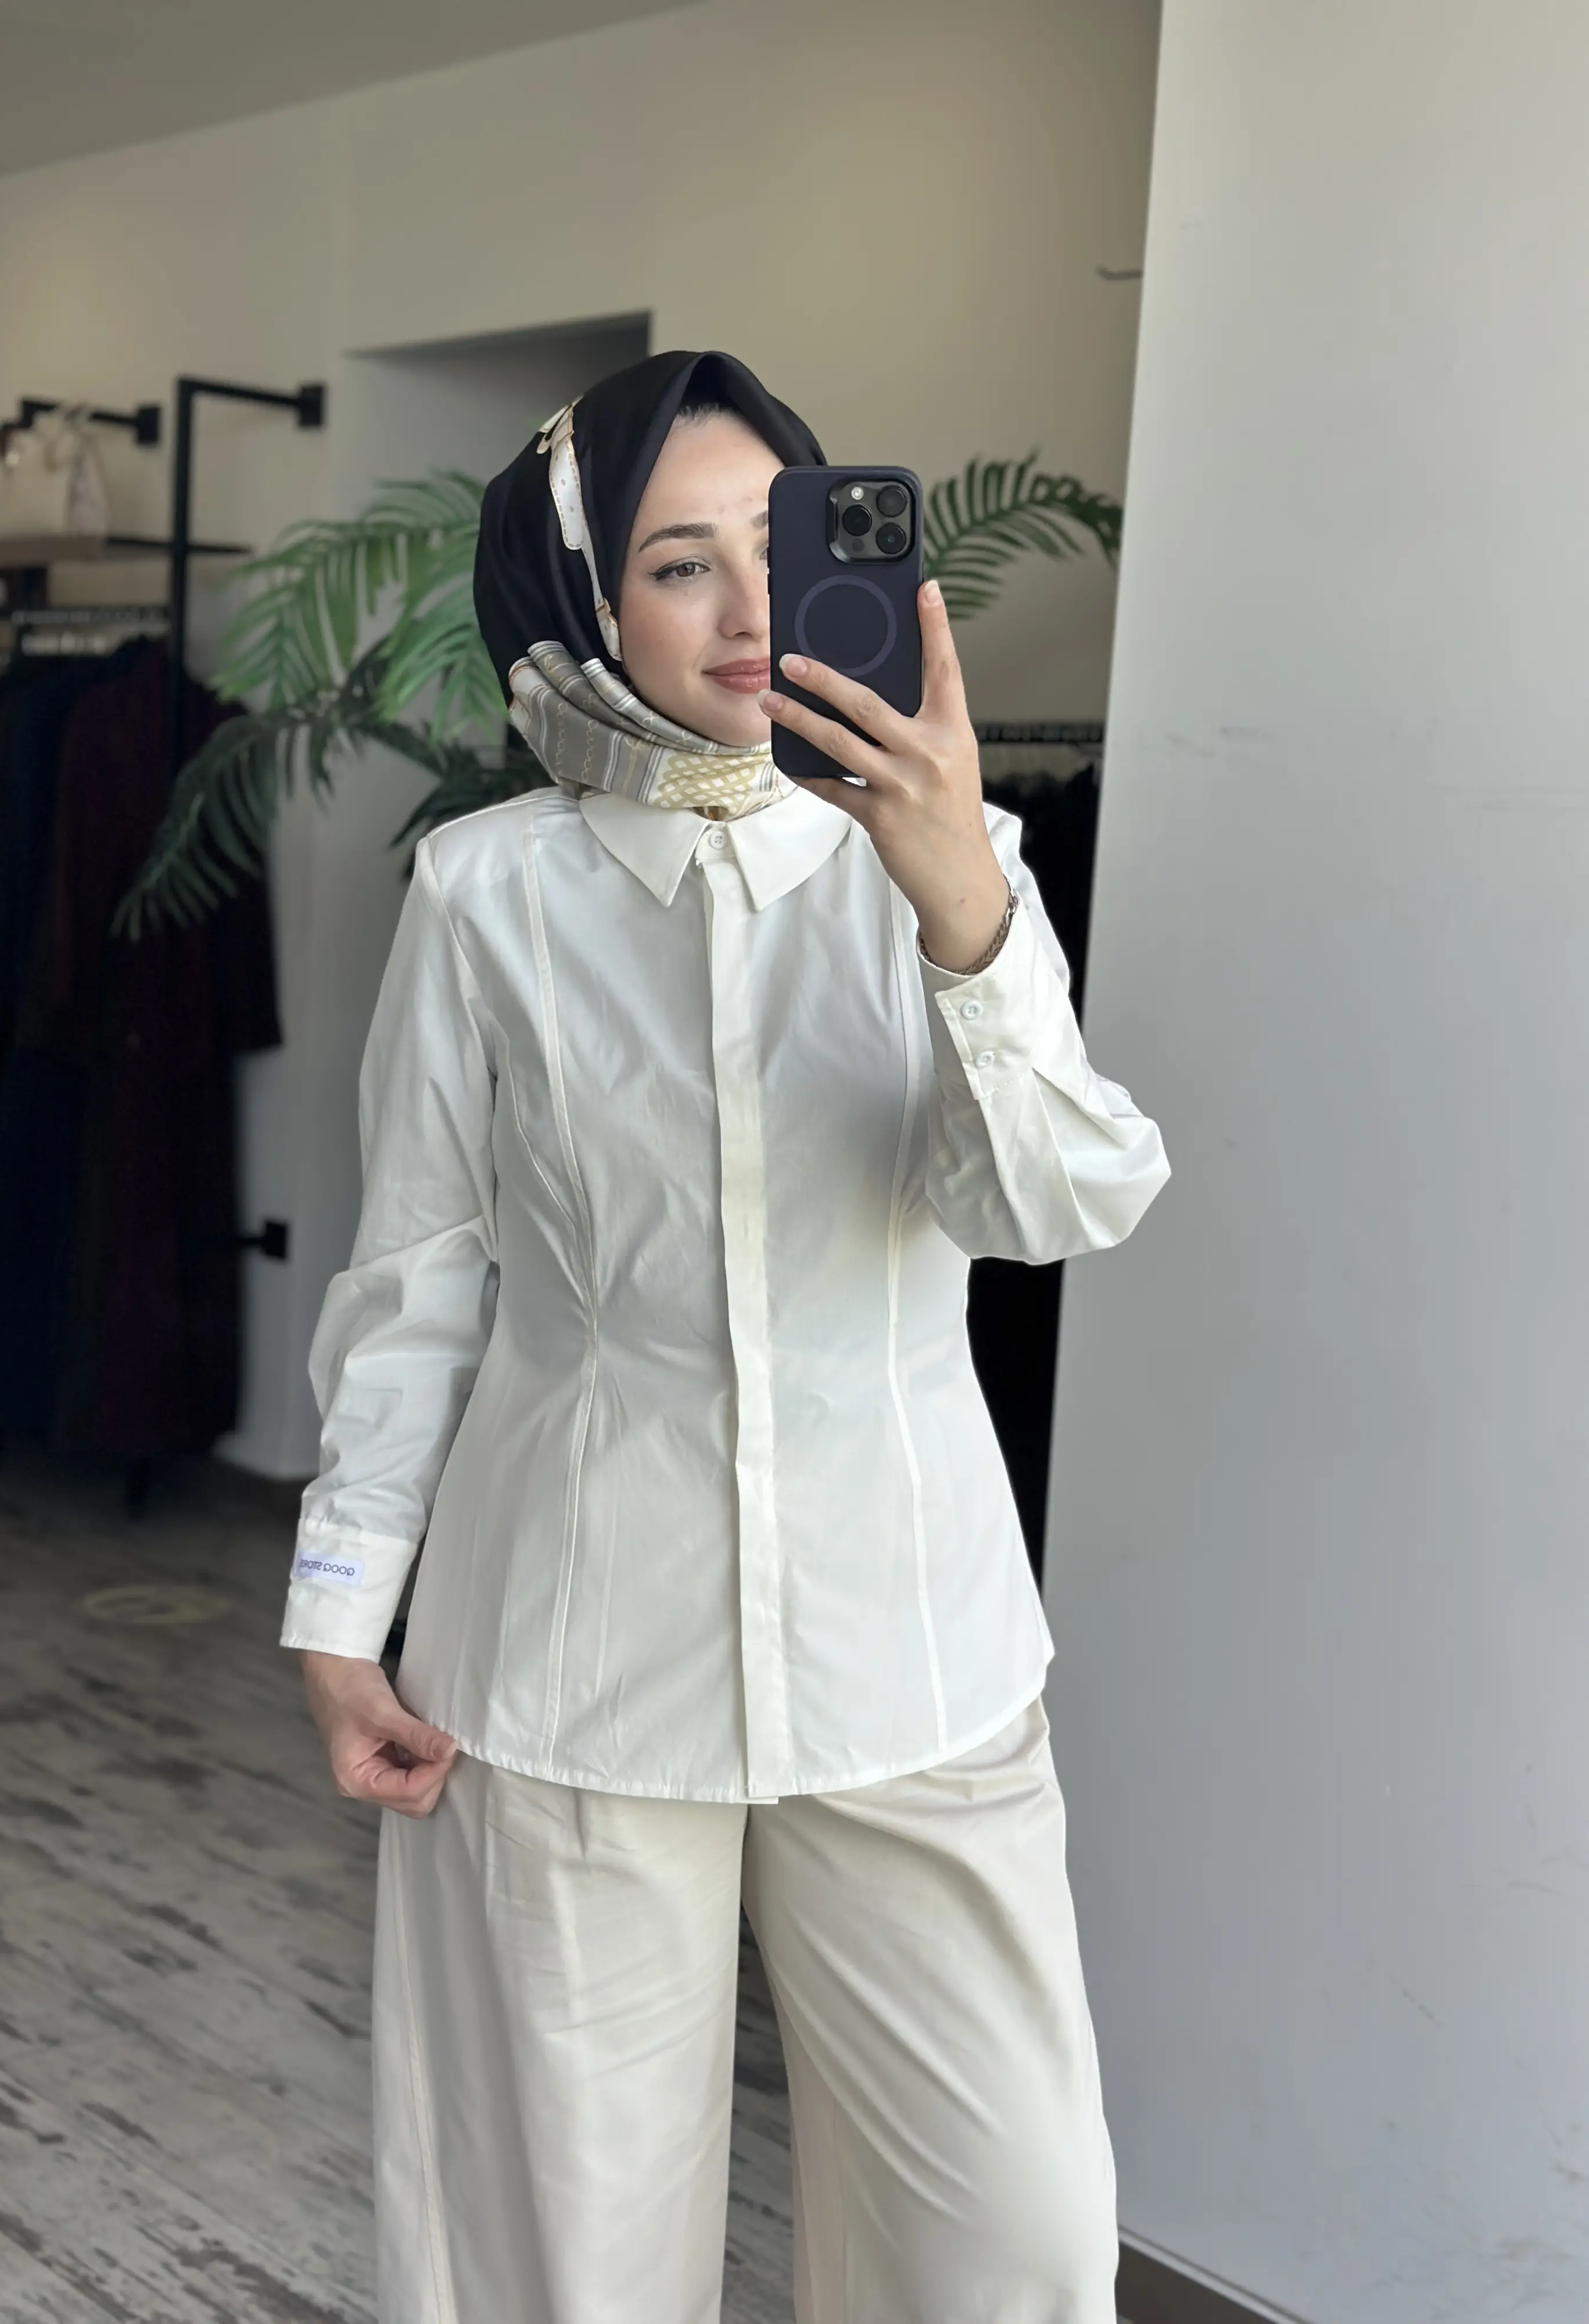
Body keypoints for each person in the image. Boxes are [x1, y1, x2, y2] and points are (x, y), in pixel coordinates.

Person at [281, 349, 1170, 2324]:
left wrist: (959, 911)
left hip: (914, 1651)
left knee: (1012, 2246)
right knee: (566, 2261)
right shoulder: (485, 893)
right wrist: (343, 1611)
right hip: (570, 1660)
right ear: (587, 603)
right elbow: (419, 1276)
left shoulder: (956, 861)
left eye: (784, 542)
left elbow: (1059, 1208)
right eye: (682, 563)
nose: (756, 608)